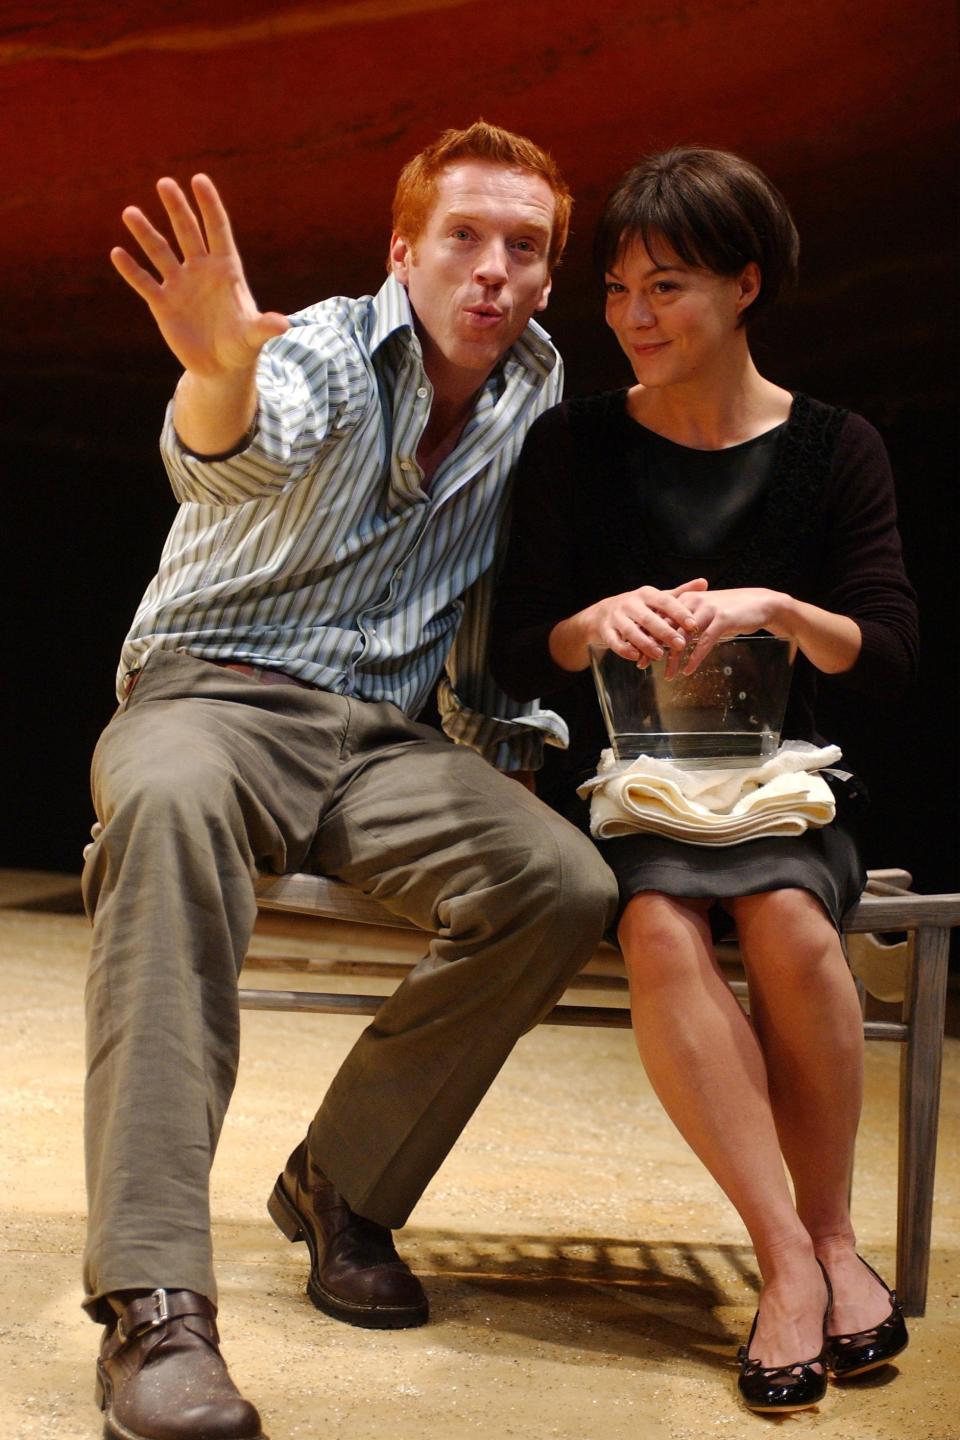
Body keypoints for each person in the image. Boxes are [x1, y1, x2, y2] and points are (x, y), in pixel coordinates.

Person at [84, 121, 618, 1440]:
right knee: (159, 814)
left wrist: (506, 761)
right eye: (463, 239)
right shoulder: (319, 345)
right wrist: (214, 369)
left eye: (524, 247)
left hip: (379, 739)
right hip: (210, 696)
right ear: (404, 250)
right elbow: (237, 435)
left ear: (549, 276)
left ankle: (342, 1181)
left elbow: (491, 599)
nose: (492, 270)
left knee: (558, 882)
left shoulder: (534, 387)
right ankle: (155, 1305)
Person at [491, 146, 918, 1413]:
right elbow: (521, 646)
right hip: (637, 795)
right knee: (665, 927)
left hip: (787, 791)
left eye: (664, 286)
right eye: (619, 290)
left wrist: (779, 606)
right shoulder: (575, 445)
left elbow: (889, 655)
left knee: (788, 914)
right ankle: (790, 1261)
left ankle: (835, 1240)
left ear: (745, 286)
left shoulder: (837, 449)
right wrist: (595, 623)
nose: (632, 316)